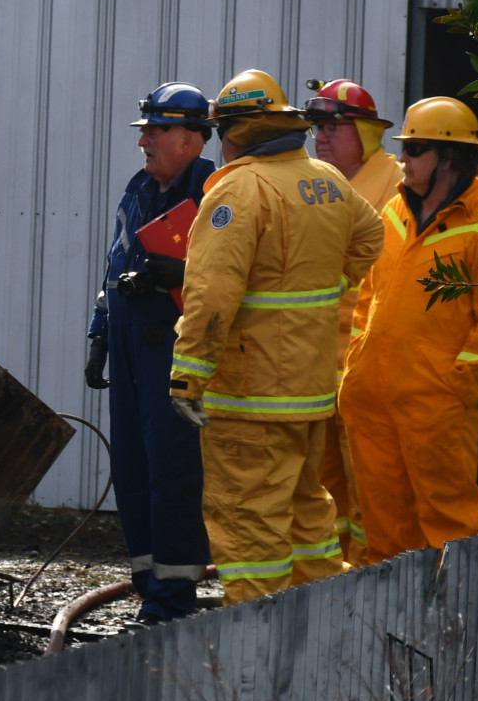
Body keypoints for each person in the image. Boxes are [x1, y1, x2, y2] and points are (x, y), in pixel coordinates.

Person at [168, 70, 384, 605]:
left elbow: (212, 294)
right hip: (308, 395)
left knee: (249, 530)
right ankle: (328, 642)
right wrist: (329, 287)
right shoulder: (326, 180)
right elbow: (371, 234)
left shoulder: (240, 190)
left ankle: (252, 660)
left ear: (237, 133)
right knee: (310, 521)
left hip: (249, 399)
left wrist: (188, 374)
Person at [338, 97, 478, 561]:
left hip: (435, 408)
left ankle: (456, 626)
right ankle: (387, 629)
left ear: (448, 157)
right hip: (370, 400)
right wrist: (355, 370)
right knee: (381, 527)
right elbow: (368, 297)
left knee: (449, 523)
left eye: (414, 150)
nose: (402, 160)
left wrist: (454, 390)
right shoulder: (394, 212)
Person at [85, 83, 217, 622]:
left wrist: (183, 275)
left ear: (189, 138)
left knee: (173, 474)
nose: (145, 142)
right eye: (145, 132)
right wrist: (99, 331)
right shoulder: (139, 188)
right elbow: (115, 264)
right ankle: (148, 583)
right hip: (129, 343)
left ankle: (170, 598)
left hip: (174, 347)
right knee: (134, 470)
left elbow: (231, 279)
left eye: (156, 131)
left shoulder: (214, 191)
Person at [303, 78, 401, 565]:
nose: (320, 137)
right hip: (321, 363)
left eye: (333, 127)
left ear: (365, 133)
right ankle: (329, 580)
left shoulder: (397, 182)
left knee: (368, 483)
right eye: (317, 128)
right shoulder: (317, 185)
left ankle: (367, 576)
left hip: (368, 364)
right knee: (324, 487)